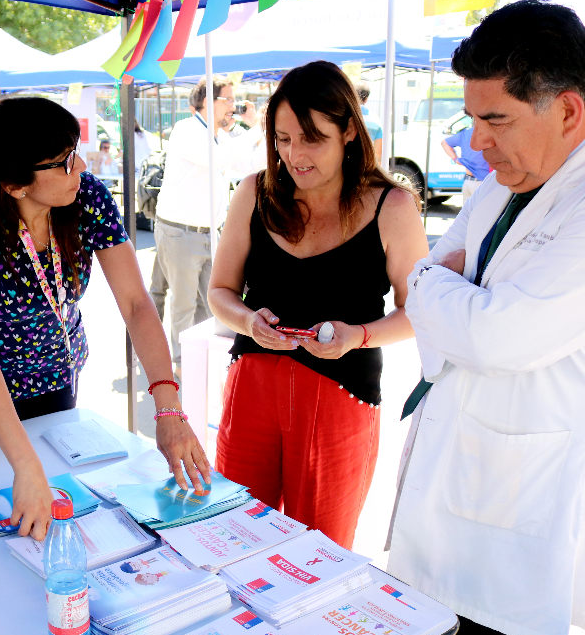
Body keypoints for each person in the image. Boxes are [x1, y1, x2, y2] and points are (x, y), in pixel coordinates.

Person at [389, 0, 585, 635]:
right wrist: (450, 295)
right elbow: (430, 285)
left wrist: (444, 293)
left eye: (494, 120)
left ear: (568, 110)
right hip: (448, 501)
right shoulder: (505, 180)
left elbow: (498, 337)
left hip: (521, 531)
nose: (476, 143)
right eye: (472, 120)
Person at [0, 97, 211, 541]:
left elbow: (137, 304)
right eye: (63, 162)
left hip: (57, 374)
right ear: (13, 184)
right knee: (7, 507)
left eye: (75, 151)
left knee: (57, 503)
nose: (80, 165)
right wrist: (24, 465)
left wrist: (168, 408)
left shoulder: (86, 195)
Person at [208, 61, 428, 550]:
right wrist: (248, 319)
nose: (294, 155)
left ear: (349, 129)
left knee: (320, 556)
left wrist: (359, 335)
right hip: (252, 391)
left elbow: (420, 313)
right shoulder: (254, 192)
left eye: (311, 139)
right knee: (236, 539)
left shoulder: (392, 207)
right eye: (283, 139)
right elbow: (220, 291)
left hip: (341, 400)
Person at [155, 76, 263, 375]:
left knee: (208, 302)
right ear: (206, 101)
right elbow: (218, 159)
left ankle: (195, 360)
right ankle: (178, 364)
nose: (233, 105)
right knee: (184, 304)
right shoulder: (187, 129)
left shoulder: (223, 136)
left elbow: (252, 164)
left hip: (209, 233)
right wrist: (255, 129)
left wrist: (264, 134)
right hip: (181, 231)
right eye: (227, 99)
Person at [441, 123, 491, 203]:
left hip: (469, 181)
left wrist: (455, 159)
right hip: (482, 181)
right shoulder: (490, 134)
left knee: (468, 213)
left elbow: (444, 143)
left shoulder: (465, 133)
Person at [356, 82, 384, 160]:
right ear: (366, 99)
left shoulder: (344, 117)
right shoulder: (376, 120)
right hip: (366, 166)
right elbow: (378, 154)